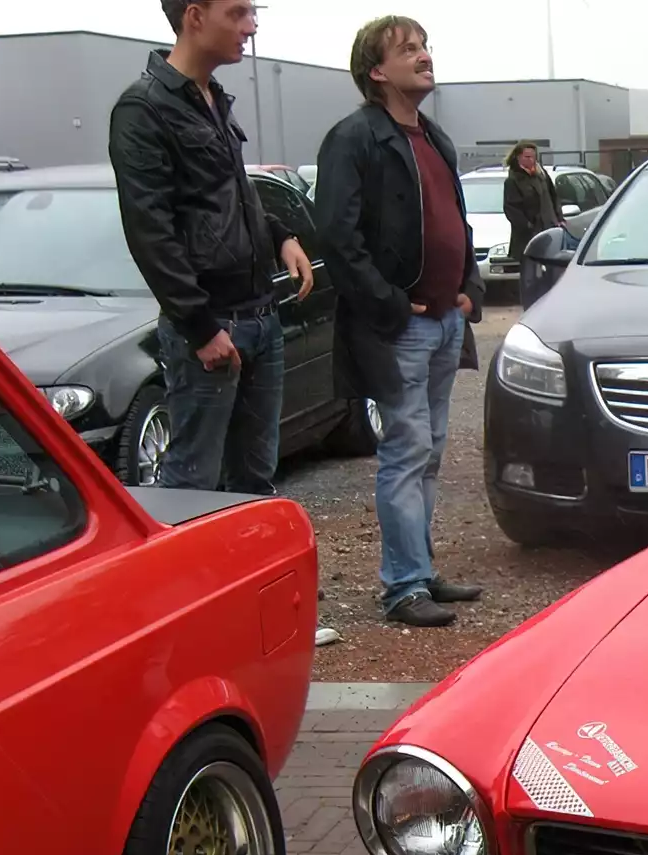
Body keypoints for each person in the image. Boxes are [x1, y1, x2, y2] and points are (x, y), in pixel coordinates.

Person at [314, 15, 484, 628]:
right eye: (408, 49)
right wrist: (387, 301)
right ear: (377, 71)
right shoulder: (354, 138)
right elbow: (338, 235)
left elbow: (456, 221)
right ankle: (404, 587)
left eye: (425, 46)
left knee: (430, 451)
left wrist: (469, 288)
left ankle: (420, 568)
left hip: (445, 322)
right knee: (406, 451)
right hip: (400, 327)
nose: (423, 55)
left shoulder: (434, 138)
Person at [108, 0, 315, 497]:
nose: (251, 26)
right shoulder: (144, 109)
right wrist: (200, 327)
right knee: (192, 485)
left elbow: (230, 192)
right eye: (238, 13)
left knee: (253, 482)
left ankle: (245, 552)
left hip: (260, 315)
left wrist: (280, 235)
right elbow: (149, 231)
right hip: (211, 327)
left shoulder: (213, 97)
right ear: (195, 16)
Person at [503, 142, 560, 261]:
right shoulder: (514, 180)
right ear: (518, 157)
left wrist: (559, 218)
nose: (531, 160)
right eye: (527, 157)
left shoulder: (542, 175)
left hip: (549, 228)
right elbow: (511, 208)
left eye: (533, 157)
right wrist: (527, 225)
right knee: (529, 266)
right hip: (528, 234)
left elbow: (553, 196)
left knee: (551, 264)